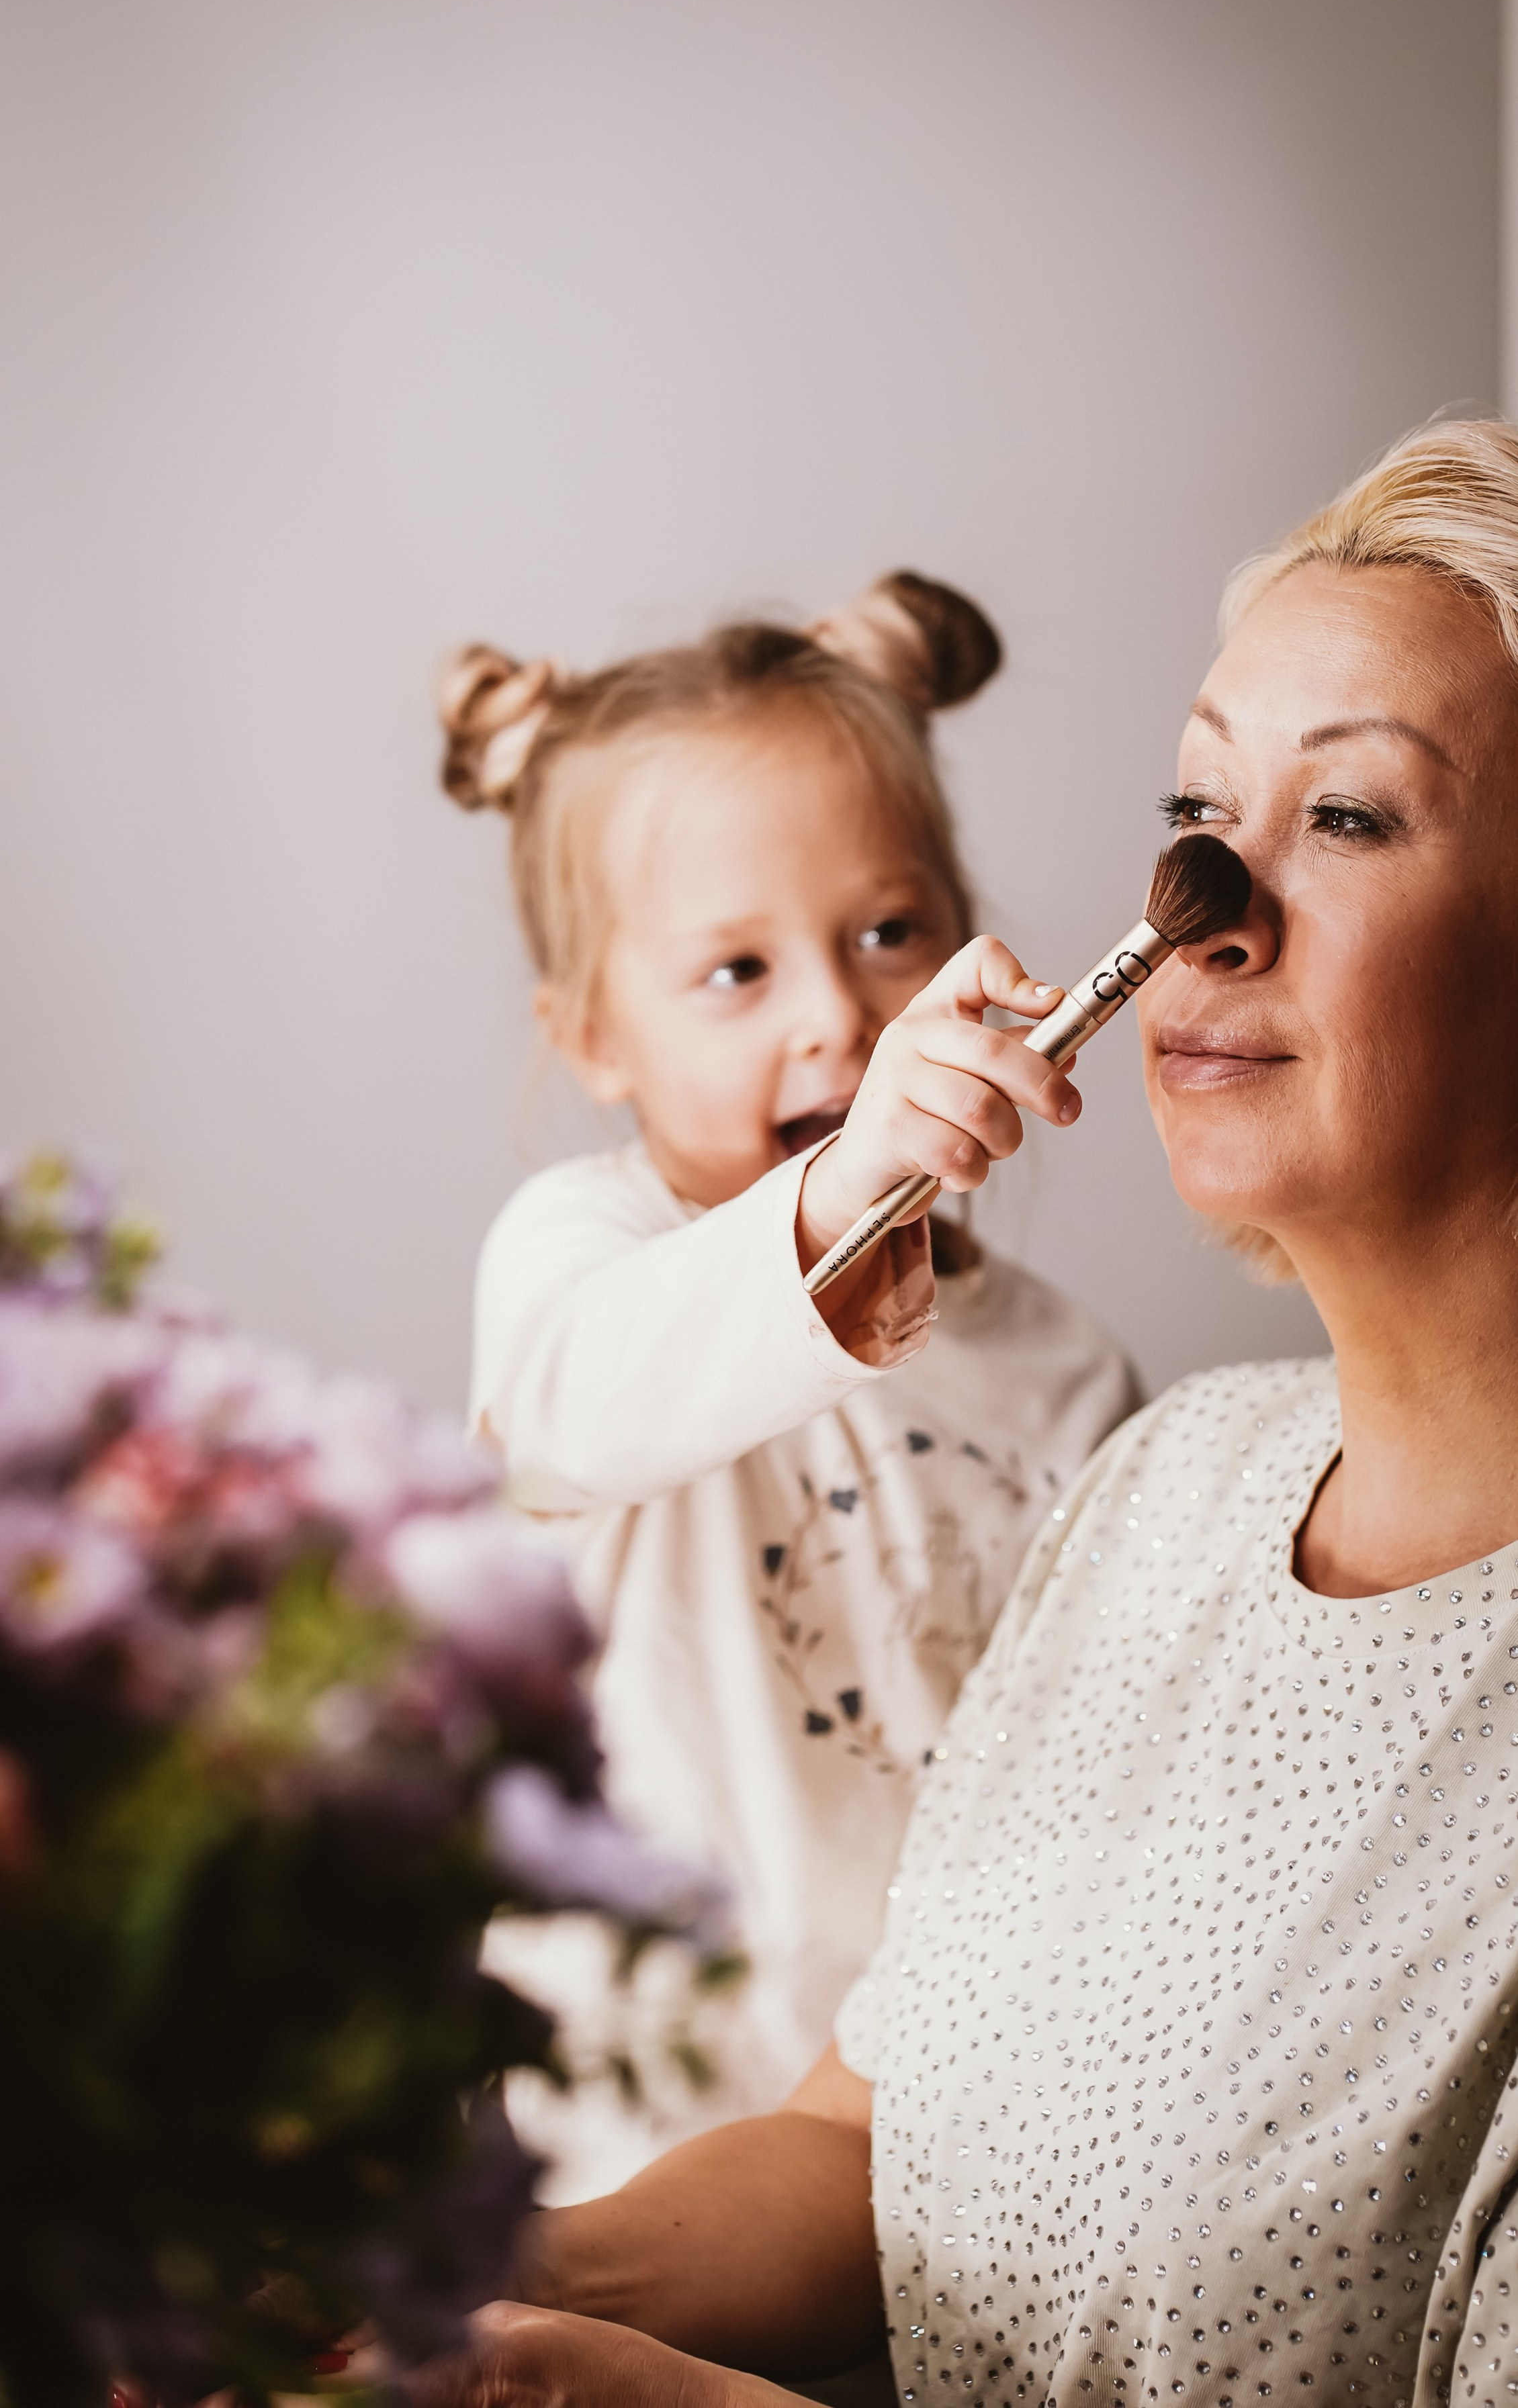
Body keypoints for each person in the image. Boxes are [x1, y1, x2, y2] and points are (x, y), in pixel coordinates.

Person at [408, 418, 1518, 2407]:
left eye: (1345, 816)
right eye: (1195, 799)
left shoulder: (1072, 1397)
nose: (1202, 900)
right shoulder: (1169, 1483)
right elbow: (867, 2145)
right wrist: (466, 2307)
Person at [438, 577, 1138, 2205]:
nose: (839, 1015)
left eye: (888, 933)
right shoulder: (585, 1253)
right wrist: (831, 1214)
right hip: (614, 2166)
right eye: (736, 972)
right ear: (588, 1034)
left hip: (957, 2169)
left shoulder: (1064, 1373)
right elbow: (574, 1400)